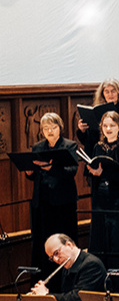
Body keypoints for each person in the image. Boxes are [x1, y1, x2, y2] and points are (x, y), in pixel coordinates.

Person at [25, 113, 79, 270]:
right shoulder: (38, 147)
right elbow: (36, 174)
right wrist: (30, 173)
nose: (50, 131)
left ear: (60, 128)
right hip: (42, 202)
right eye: (46, 128)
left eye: (53, 127)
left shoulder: (69, 145)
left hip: (62, 203)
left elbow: (71, 171)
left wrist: (52, 168)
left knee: (62, 241)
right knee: (41, 241)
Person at [83, 110, 119, 269]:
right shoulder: (98, 146)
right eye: (105, 126)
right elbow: (92, 175)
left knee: (117, 242)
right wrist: (94, 173)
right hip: (101, 201)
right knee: (100, 242)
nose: (108, 129)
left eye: (112, 125)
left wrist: (104, 173)